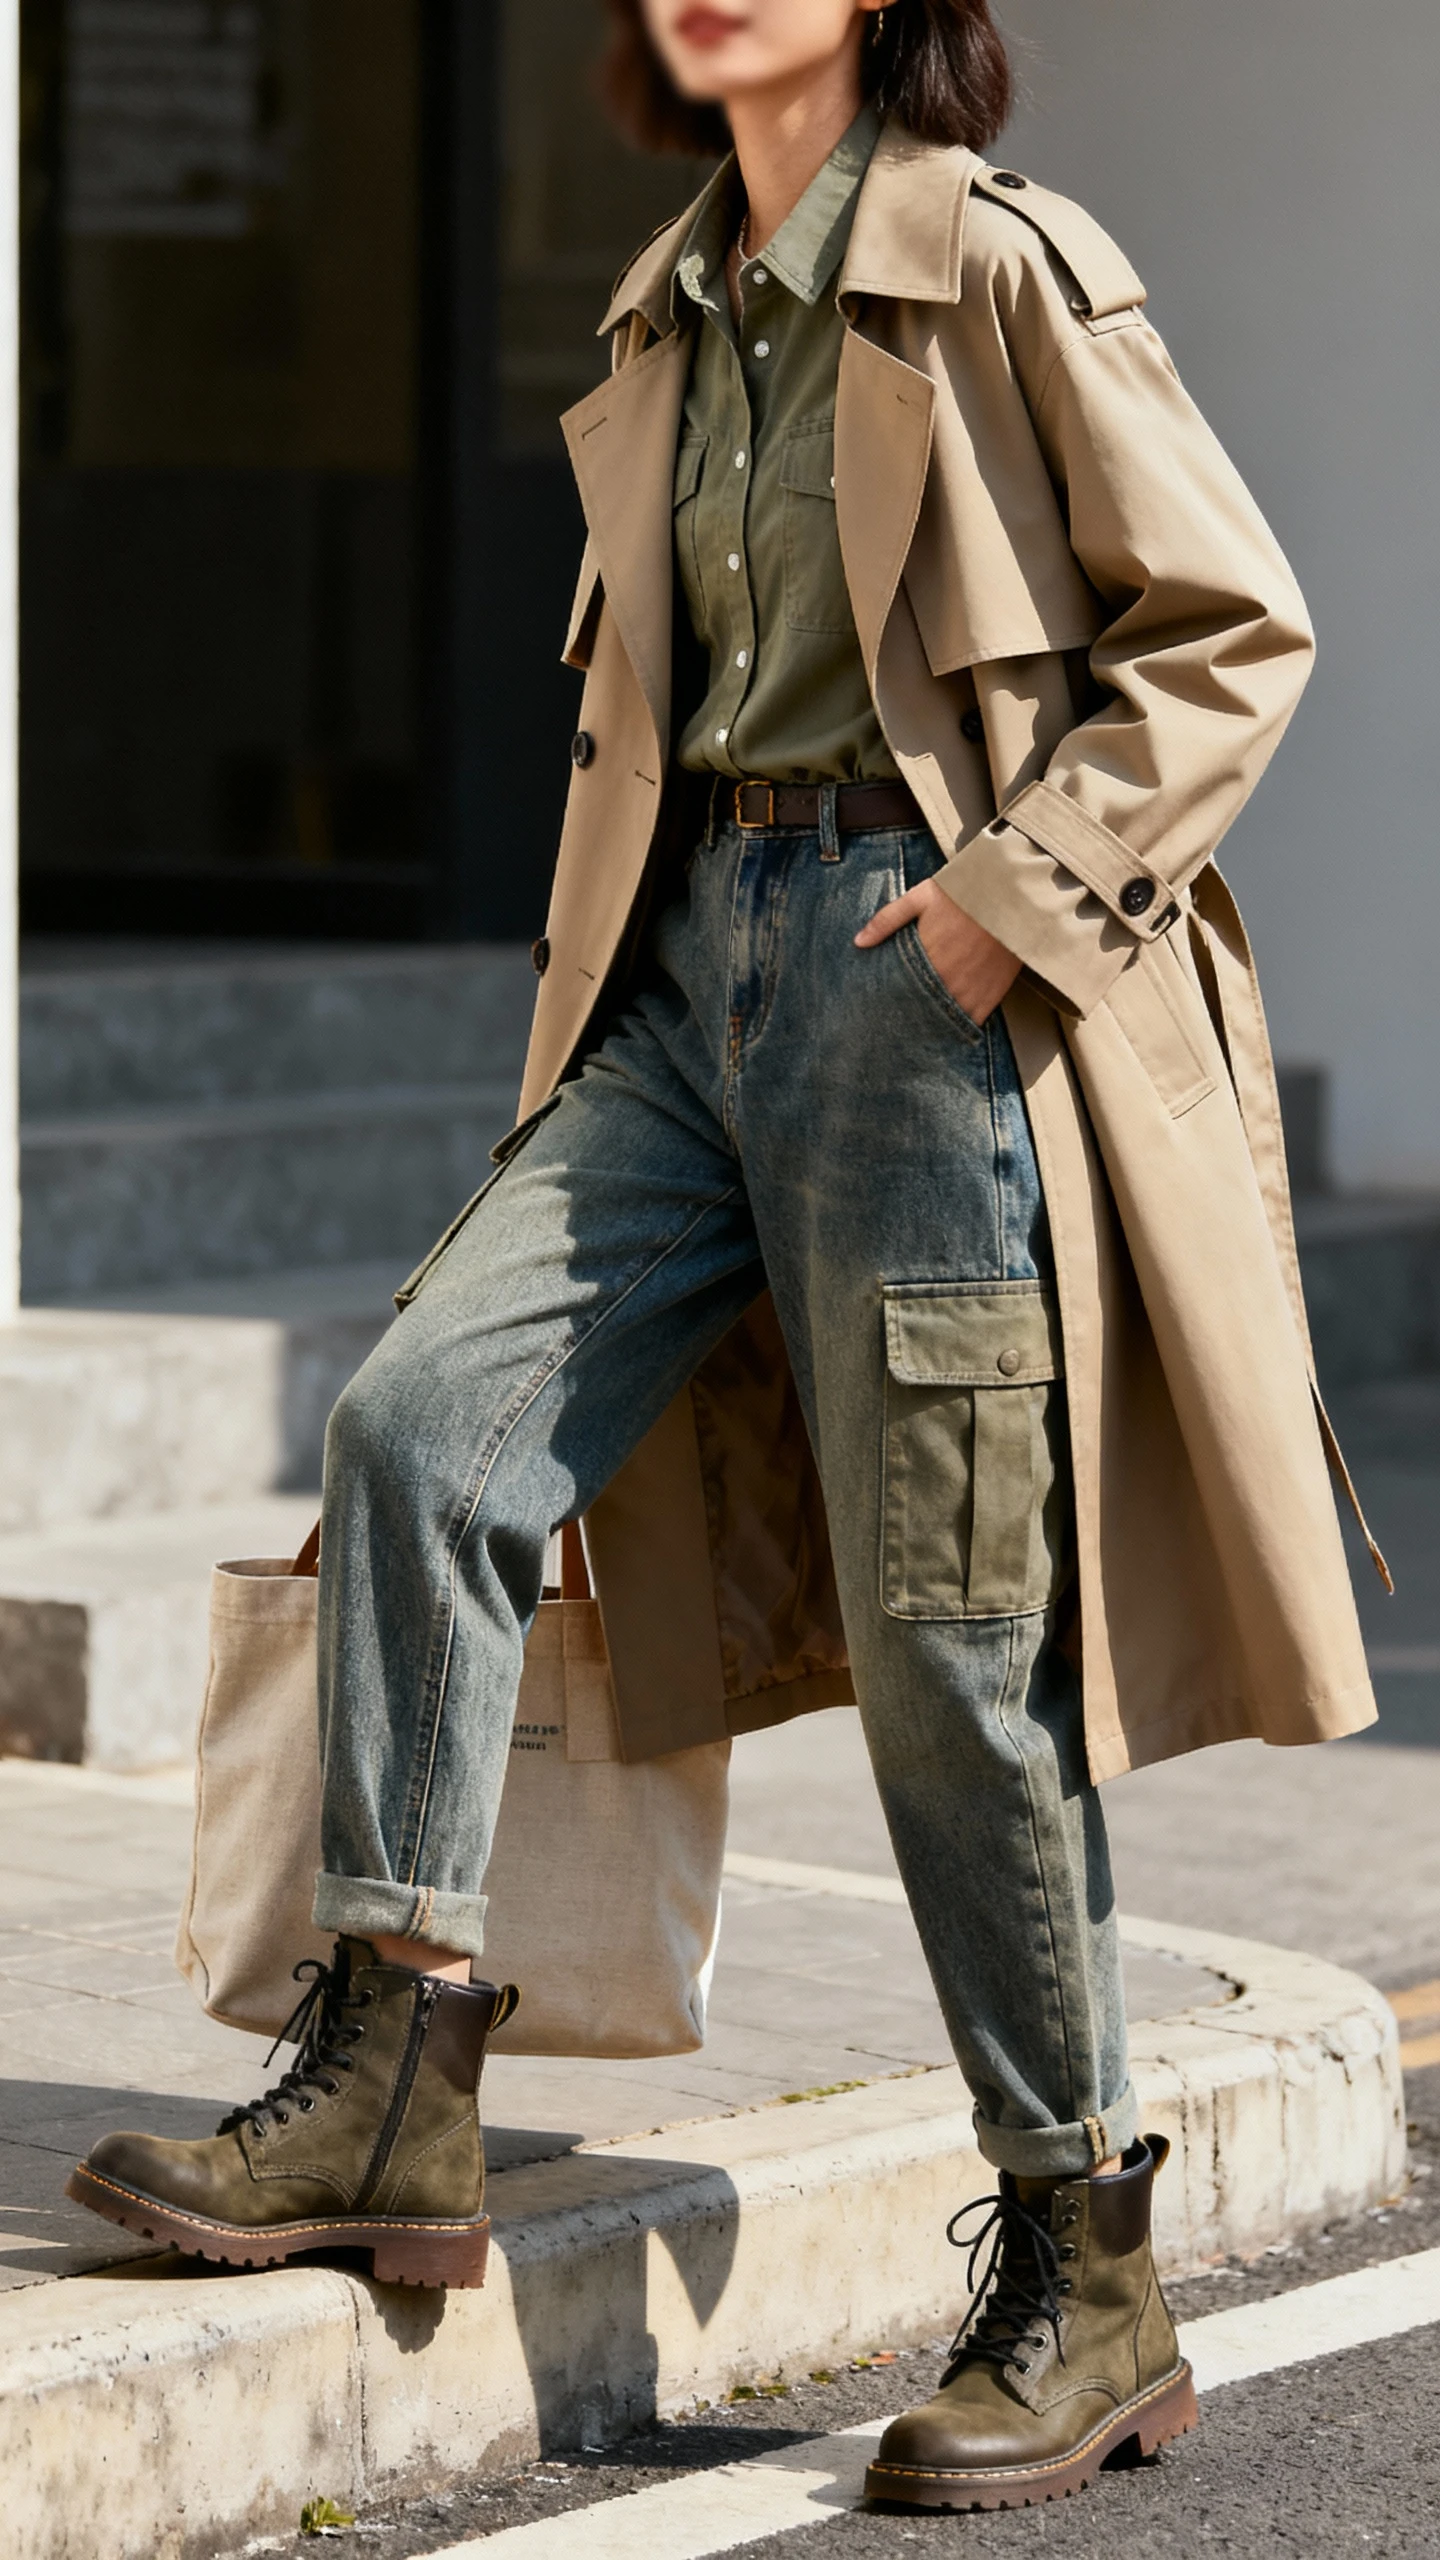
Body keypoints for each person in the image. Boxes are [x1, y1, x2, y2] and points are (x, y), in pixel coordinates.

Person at [69, 0, 1383, 2514]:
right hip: (687, 992)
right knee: (419, 1429)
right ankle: (393, 2073)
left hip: (920, 977)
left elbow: (1233, 625)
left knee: (948, 1646)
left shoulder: (1001, 268)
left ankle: (1087, 2255)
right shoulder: (663, 309)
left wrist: (1006, 913)